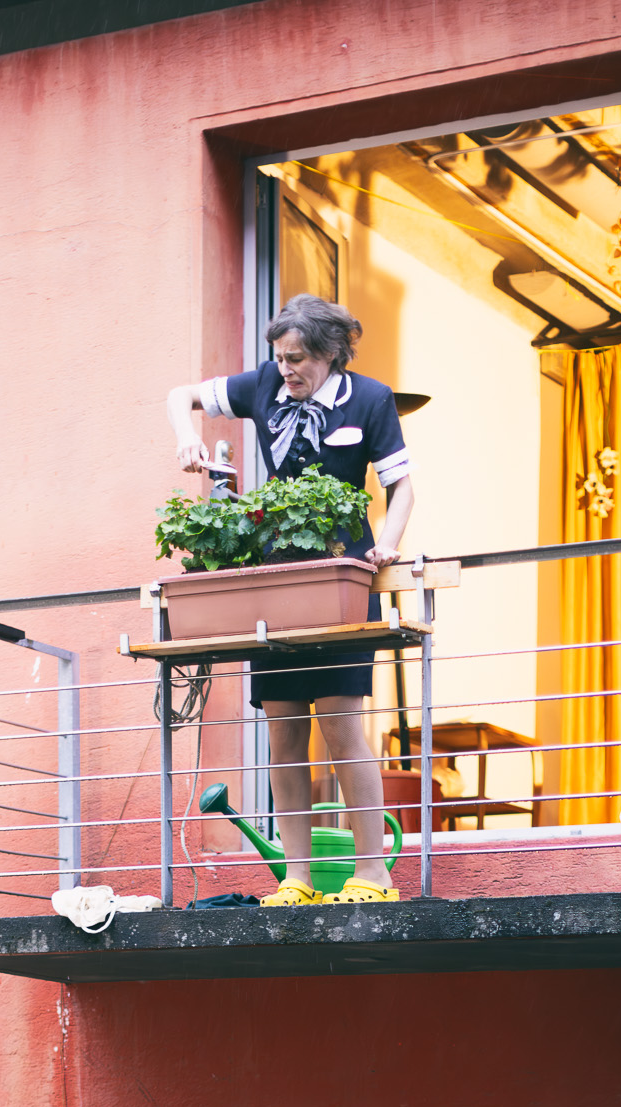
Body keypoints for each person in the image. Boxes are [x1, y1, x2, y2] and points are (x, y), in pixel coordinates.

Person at [166, 293, 415, 908]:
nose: (286, 369)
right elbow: (181, 395)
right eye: (280, 358)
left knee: (341, 726)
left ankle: (374, 875)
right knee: (282, 733)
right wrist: (187, 436)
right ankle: (295, 878)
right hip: (275, 577)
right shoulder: (263, 386)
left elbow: (402, 487)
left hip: (341, 579)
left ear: (331, 353)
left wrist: (386, 544)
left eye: (298, 358)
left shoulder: (371, 399)